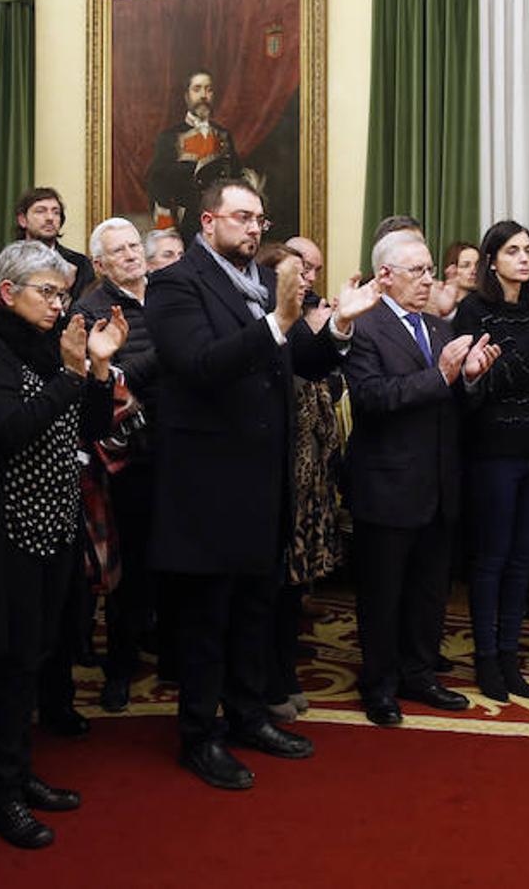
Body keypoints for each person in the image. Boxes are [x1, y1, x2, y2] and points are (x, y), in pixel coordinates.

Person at [145, 178, 379, 791]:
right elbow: (198, 364)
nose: (254, 228)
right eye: (241, 217)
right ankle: (199, 736)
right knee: (206, 619)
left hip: (261, 480)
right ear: (208, 222)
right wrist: (278, 320)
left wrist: (340, 330)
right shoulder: (175, 284)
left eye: (259, 219)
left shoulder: (259, 287)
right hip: (206, 486)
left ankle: (249, 716)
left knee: (255, 609)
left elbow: (304, 359)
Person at [0, 240, 123, 848]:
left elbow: (94, 427)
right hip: (4, 527)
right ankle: (0, 792)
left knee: (35, 655)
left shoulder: (51, 347)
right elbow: (8, 430)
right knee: (4, 660)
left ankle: (20, 775)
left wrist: (97, 369)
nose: (58, 305)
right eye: (46, 293)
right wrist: (71, 374)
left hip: (53, 522)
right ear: (7, 292)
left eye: (62, 294)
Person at [342, 229, 498, 725]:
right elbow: (372, 398)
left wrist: (471, 377)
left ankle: (419, 673)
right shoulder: (363, 328)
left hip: (437, 483)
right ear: (385, 275)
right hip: (387, 485)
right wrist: (443, 376)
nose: (430, 280)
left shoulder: (436, 328)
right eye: (419, 271)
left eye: (431, 270)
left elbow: (453, 402)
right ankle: (380, 684)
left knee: (429, 591)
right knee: (383, 594)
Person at [451, 220, 529, 702]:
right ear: (492, 260)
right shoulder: (473, 311)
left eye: (528, 249)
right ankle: (486, 660)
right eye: (513, 250)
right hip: (494, 453)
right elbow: (484, 387)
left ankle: (508, 655)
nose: (524, 258)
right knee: (492, 559)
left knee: (524, 560)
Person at [76, 218, 161, 712]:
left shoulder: (168, 294)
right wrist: (166, 358)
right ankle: (120, 668)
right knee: (127, 570)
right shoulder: (91, 309)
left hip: (179, 444)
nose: (131, 255)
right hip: (128, 456)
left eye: (135, 246)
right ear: (100, 264)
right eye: (119, 251)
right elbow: (109, 376)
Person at [265, 236, 343, 723]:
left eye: (314, 270)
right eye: (300, 269)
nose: (309, 278)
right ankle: (268, 678)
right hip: (277, 474)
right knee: (271, 586)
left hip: (311, 474)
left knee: (295, 585)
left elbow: (328, 383)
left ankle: (284, 667)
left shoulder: (311, 320)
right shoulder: (271, 324)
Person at [146, 70, 246, 242]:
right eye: (197, 89)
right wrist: (167, 228)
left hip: (220, 225)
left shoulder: (223, 135)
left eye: (208, 90)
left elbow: (236, 179)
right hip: (185, 226)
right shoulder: (169, 137)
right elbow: (157, 184)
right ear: (187, 96)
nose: (203, 96)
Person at [0, 188, 95, 299]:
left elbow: (84, 312)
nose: (50, 218)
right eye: (40, 211)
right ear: (22, 220)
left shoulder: (80, 264)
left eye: (56, 212)